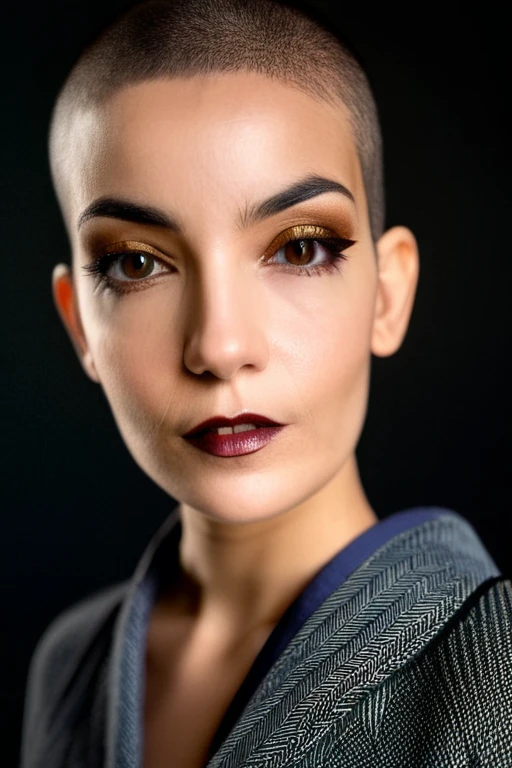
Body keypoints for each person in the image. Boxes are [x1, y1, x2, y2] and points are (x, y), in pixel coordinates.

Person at [19, 1, 512, 766]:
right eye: (136, 263)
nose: (220, 346)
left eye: (300, 249)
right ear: (80, 323)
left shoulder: (495, 668)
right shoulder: (68, 667)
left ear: (388, 294)